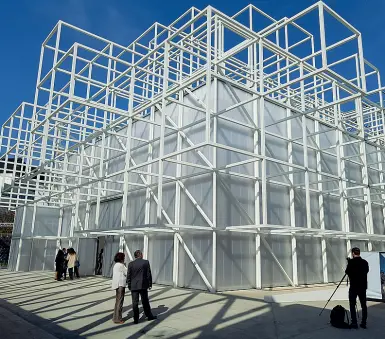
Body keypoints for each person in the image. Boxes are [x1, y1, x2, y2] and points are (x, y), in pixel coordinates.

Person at [127, 250, 156, 324]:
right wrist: (150, 284)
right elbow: (148, 274)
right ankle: (149, 316)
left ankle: (136, 319)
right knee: (145, 301)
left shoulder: (131, 264)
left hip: (134, 286)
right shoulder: (145, 262)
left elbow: (129, 276)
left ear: (135, 256)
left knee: (135, 303)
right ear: (141, 255)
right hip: (143, 285)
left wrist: (129, 285)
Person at [345, 247, 369, 329]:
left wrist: (349, 263)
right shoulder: (365, 262)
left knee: (352, 304)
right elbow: (366, 271)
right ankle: (364, 322)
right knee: (363, 305)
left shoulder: (351, 263)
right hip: (362, 287)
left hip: (354, 287)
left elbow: (347, 272)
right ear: (359, 253)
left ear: (353, 253)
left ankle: (354, 322)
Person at [111, 252, 127, 324]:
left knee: (117, 301)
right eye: (123, 257)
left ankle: (115, 317)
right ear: (121, 258)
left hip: (116, 284)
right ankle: (118, 319)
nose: (124, 258)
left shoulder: (115, 265)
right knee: (120, 302)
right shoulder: (121, 265)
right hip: (121, 284)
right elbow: (127, 272)